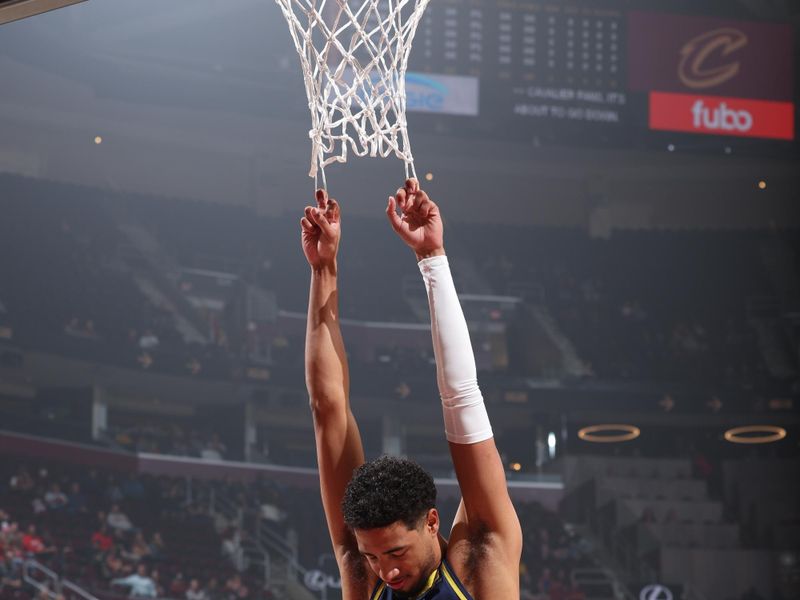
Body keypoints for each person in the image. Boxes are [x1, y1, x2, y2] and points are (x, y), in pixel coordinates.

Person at [301, 180, 522, 599]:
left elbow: (462, 394)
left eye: (395, 551)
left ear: (432, 522)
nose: (386, 570)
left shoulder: (480, 560)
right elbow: (326, 406)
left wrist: (431, 258)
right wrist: (322, 269)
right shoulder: (365, 573)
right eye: (373, 556)